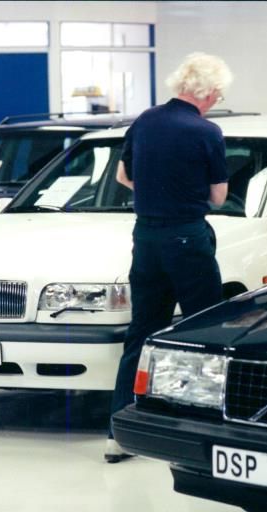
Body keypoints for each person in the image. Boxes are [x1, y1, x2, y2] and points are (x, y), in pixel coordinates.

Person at [105, 52, 232, 462]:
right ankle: (205, 429)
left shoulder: (145, 121)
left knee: (142, 330)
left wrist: (155, 190)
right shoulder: (207, 131)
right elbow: (218, 195)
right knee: (204, 330)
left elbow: (124, 176)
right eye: (218, 93)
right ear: (208, 91)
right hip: (186, 236)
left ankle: (118, 431)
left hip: (145, 236)